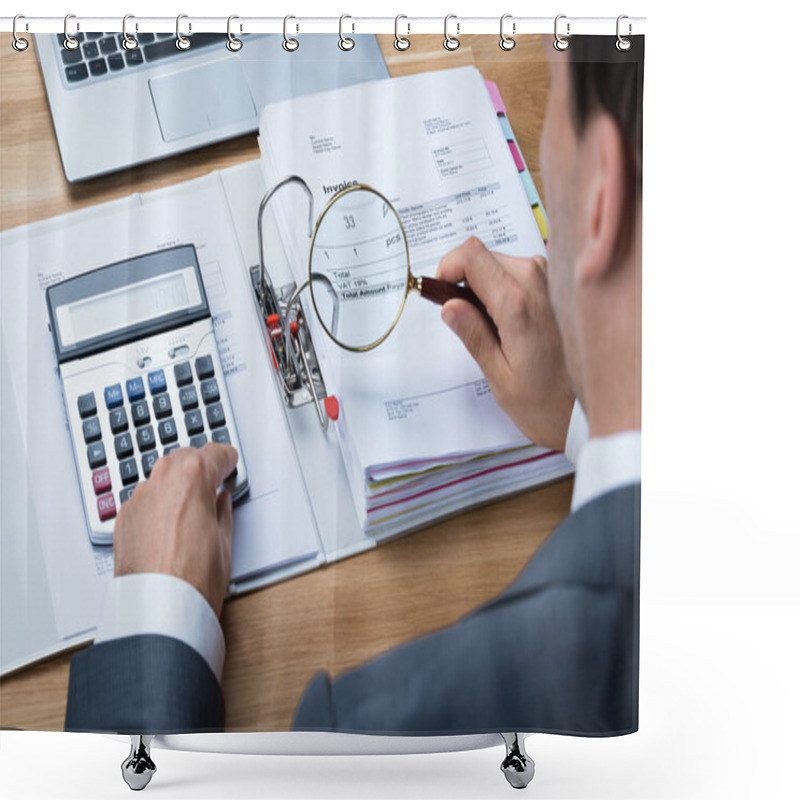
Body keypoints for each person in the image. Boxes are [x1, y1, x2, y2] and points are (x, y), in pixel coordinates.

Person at [66, 34, 643, 735]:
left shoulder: (385, 723)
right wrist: (589, 407)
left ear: (600, 194)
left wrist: (155, 628)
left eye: (553, 99)